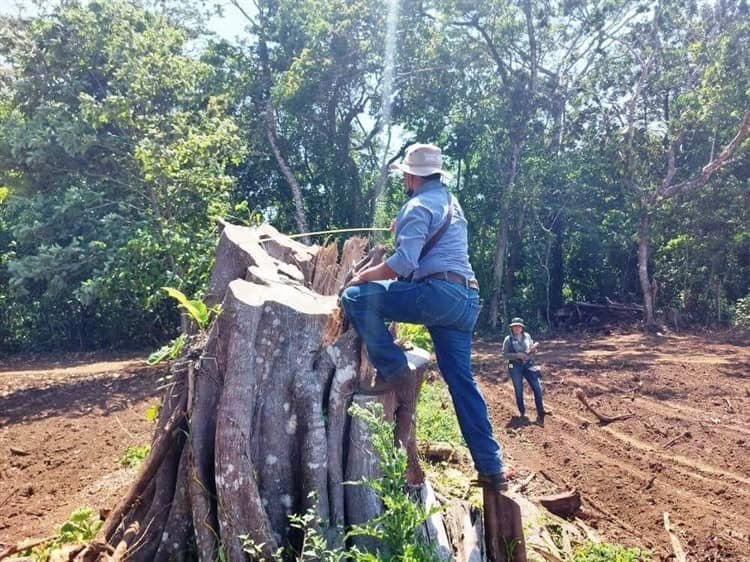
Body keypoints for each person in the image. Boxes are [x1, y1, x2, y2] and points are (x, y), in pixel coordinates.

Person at [341, 143, 507, 492]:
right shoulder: (450, 201)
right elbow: (431, 234)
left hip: (437, 295)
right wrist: (402, 226)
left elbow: (403, 264)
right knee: (462, 383)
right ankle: (491, 467)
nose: (403, 176)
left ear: (411, 175)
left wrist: (364, 277)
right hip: (466, 300)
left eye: (404, 172)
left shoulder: (416, 205)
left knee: (355, 297)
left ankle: (392, 369)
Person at [502, 317, 546, 425]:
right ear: (512, 328)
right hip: (515, 366)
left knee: (537, 388)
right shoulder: (508, 339)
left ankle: (541, 412)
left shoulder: (527, 336)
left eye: (519, 326)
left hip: (528, 365)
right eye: (514, 327)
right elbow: (504, 355)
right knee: (518, 389)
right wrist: (517, 355)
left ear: (522, 328)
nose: (517, 328)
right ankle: (522, 412)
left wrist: (533, 350)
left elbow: (531, 351)